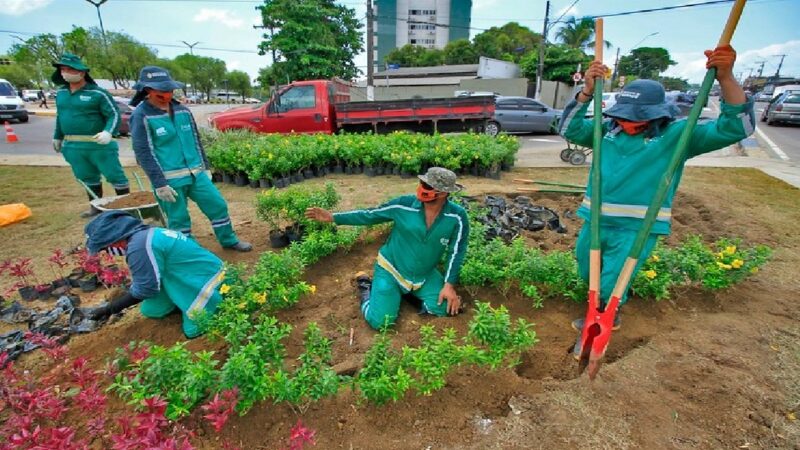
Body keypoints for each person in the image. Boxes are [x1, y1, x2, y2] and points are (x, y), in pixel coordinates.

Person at [560, 45, 754, 357]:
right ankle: (601, 305)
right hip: (596, 219)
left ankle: (607, 316)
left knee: (610, 282)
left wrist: (727, 78)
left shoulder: (677, 136)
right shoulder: (605, 132)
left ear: (655, 116)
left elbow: (737, 128)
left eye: (635, 120)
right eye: (622, 118)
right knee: (586, 269)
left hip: (637, 226)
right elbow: (567, 127)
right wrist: (586, 92)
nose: (626, 124)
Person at [305, 167, 470, 329]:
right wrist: (333, 217)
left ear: (443, 193)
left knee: (444, 309)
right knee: (381, 322)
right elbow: (370, 215)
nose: (421, 188)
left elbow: (457, 251)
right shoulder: (403, 205)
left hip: (424, 275)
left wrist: (449, 286)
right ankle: (365, 288)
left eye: (427, 186)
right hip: (391, 269)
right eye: (421, 183)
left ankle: (405, 294)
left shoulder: (457, 217)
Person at [129, 66, 252, 252]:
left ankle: (229, 240)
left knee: (217, 205)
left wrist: (205, 166)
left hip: (196, 172)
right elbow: (143, 151)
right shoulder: (142, 115)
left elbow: (196, 140)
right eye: (162, 91)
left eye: (169, 90)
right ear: (148, 90)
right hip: (170, 179)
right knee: (178, 219)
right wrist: (159, 182)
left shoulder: (183, 111)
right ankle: (187, 252)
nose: (167, 95)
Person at [81, 210, 226, 338]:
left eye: (105, 248)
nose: (107, 252)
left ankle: (206, 303)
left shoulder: (139, 247)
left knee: (194, 329)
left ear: (115, 242)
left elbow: (146, 288)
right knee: (152, 310)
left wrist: (110, 309)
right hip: (188, 273)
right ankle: (181, 303)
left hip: (208, 280)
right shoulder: (146, 235)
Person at [52, 53, 129, 218]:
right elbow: (60, 116)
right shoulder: (61, 94)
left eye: (70, 69)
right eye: (63, 69)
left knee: (115, 175)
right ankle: (96, 207)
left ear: (82, 72)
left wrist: (109, 131)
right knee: (87, 177)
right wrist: (57, 136)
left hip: (98, 143)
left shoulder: (98, 93)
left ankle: (126, 208)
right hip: (73, 144)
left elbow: (114, 114)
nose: (66, 72)